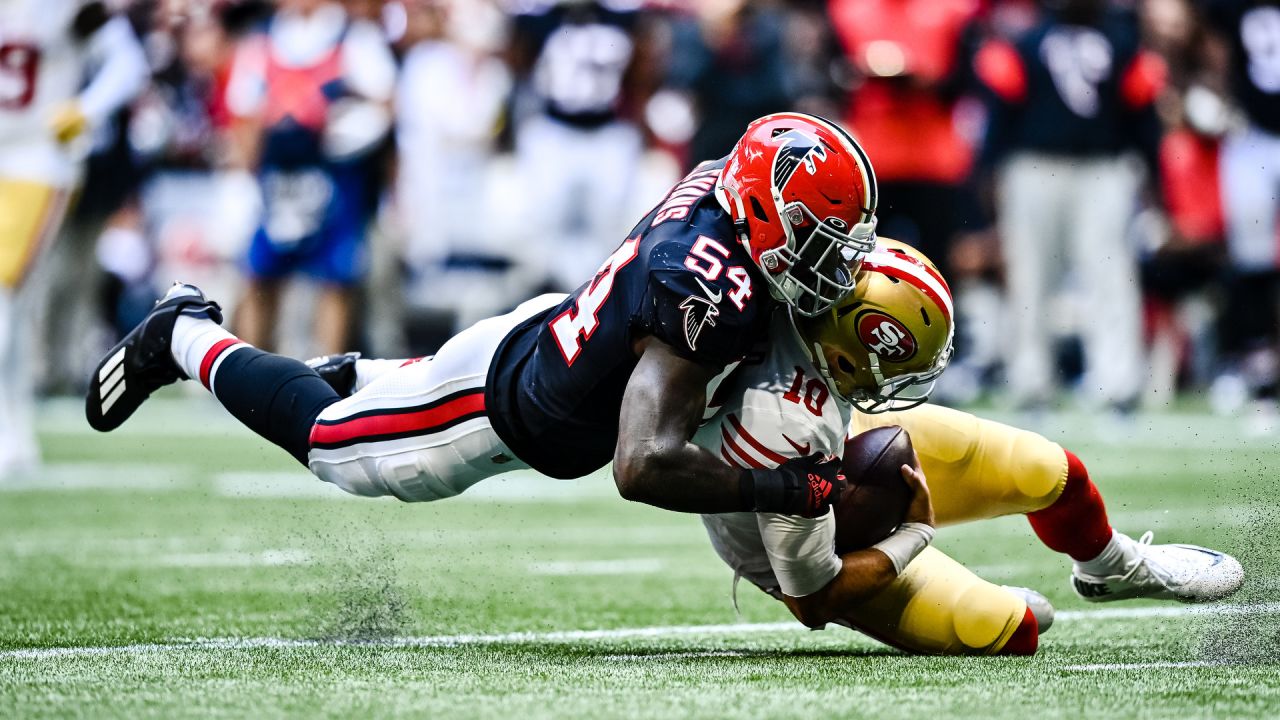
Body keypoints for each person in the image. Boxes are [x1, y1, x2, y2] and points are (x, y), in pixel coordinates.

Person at [86, 112, 879, 519]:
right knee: (334, 449)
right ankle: (183, 334)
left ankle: (349, 376)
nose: (827, 264)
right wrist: (785, 491)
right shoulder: (707, 290)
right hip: (492, 410)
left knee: (368, 398)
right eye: (816, 239)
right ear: (764, 208)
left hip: (549, 339)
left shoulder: (720, 186)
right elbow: (642, 466)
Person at [699, 239, 1244, 656]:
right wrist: (913, 534)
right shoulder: (782, 429)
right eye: (896, 365)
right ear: (846, 353)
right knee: (1004, 629)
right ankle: (957, 592)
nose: (900, 379)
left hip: (838, 424)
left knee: (1048, 471)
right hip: (790, 521)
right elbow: (812, 599)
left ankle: (1114, 567)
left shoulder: (801, 309)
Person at [975, 0, 1164, 412]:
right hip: (1035, 167)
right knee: (1032, 275)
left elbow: (1142, 116)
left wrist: (1154, 176)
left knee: (1109, 273)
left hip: (1102, 168)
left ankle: (1116, 381)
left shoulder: (1118, 43)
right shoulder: (1029, 44)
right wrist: (987, 172)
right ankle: (1031, 379)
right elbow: (1001, 113)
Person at [0, 0, 148, 478]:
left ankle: (12, 430)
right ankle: (14, 428)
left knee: (4, 295)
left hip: (35, 162)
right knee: (14, 308)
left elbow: (127, 62)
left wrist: (85, 108)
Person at [223, 0, 397, 355]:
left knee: (335, 279)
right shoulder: (262, 41)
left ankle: (327, 377)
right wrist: (243, 177)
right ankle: (252, 377)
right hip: (275, 179)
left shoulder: (354, 38)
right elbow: (245, 114)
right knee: (260, 277)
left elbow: (385, 101)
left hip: (334, 177)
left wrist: (349, 128)